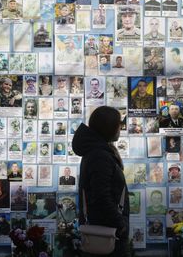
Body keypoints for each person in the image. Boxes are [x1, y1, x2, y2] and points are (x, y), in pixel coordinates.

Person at [73, 106, 130, 256]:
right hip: (106, 232)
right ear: (108, 127)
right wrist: (120, 223)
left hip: (106, 228)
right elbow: (101, 197)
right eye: (118, 124)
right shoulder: (100, 155)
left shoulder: (99, 151)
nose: (120, 128)